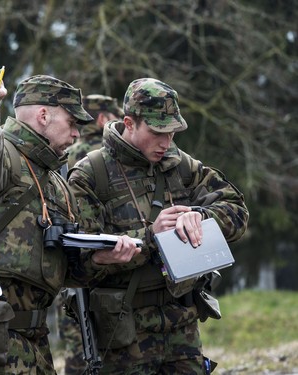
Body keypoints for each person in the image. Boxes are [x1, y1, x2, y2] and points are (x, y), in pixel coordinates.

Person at [0, 62, 140, 375]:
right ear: (43, 116)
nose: (77, 132)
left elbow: (64, 267)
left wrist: (104, 258)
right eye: (72, 121)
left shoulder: (56, 182)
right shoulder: (1, 159)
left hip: (36, 343)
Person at [67, 77, 250, 374]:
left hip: (182, 330)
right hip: (123, 337)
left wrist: (200, 215)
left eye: (172, 132)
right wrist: (150, 236)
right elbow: (76, 265)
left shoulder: (181, 166)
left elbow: (238, 212)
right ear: (129, 122)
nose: (166, 143)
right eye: (156, 132)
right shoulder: (92, 174)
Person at [58, 93, 124, 374]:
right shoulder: (109, 156)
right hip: (113, 260)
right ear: (103, 119)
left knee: (78, 342)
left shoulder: (64, 152)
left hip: (73, 259)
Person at [66, 94, 124, 169]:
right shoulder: (115, 151)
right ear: (102, 119)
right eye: (117, 117)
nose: (120, 121)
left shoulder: (66, 154)